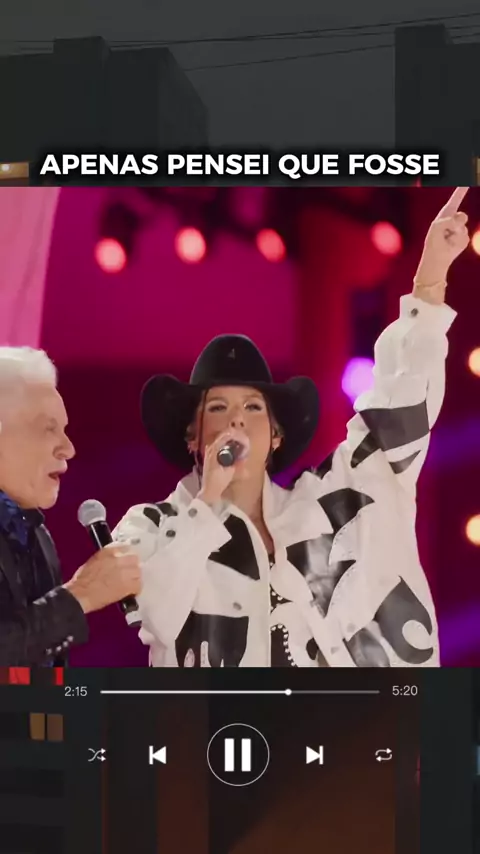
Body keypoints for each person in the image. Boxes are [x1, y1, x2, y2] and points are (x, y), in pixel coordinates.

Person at [114, 187, 470, 668]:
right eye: (217, 407)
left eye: (253, 407)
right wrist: (208, 502)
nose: (236, 418)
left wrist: (429, 280)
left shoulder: (327, 501)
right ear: (192, 437)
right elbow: (155, 613)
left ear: (276, 436)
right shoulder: (150, 526)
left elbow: (396, 415)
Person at [0, 347, 141, 665]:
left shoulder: (35, 533)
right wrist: (81, 594)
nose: (68, 448)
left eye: (64, 430)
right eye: (48, 428)